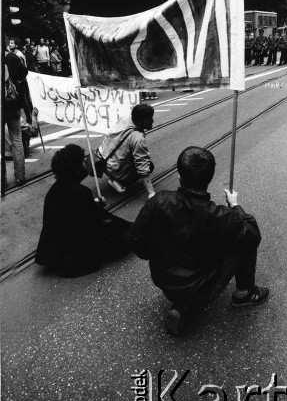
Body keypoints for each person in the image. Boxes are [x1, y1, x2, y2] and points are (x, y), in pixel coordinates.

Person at [129, 146, 269, 336]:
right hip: (203, 287)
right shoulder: (221, 216)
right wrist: (236, 207)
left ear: (179, 176)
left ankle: (182, 305)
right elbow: (253, 235)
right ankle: (244, 294)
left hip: (164, 280)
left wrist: (157, 253)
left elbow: (136, 242)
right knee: (244, 238)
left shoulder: (158, 201)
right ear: (209, 179)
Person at [35, 144, 132, 276]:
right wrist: (128, 227)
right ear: (76, 168)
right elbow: (96, 224)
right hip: (73, 257)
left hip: (54, 251)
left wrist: (94, 205)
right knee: (125, 238)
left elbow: (75, 212)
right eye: (83, 160)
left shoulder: (54, 190)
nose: (87, 162)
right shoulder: (81, 192)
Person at [99, 103, 155, 198]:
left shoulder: (125, 119)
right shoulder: (137, 138)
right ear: (139, 121)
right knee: (150, 165)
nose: (152, 121)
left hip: (102, 160)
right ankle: (119, 181)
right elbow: (143, 166)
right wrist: (151, 192)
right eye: (148, 119)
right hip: (114, 169)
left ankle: (115, 173)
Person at [3, 64, 26, 187]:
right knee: (17, 141)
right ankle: (20, 176)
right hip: (12, 106)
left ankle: (2, 181)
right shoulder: (7, 64)